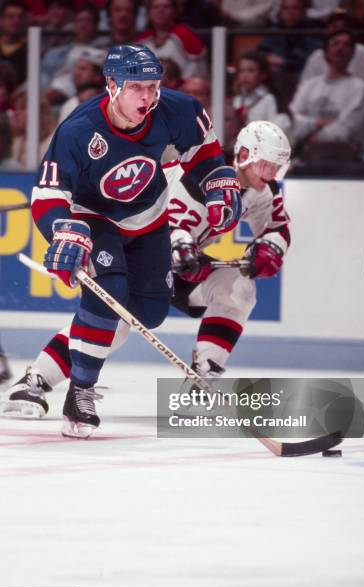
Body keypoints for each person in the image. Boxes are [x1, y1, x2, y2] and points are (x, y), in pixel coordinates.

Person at [13, 43, 241, 438]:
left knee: (148, 312)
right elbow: (47, 196)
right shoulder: (78, 129)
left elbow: (204, 152)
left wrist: (219, 183)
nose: (148, 97)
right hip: (96, 219)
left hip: (150, 219)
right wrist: (63, 230)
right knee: (108, 295)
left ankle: (43, 371)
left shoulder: (177, 109)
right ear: (112, 85)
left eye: (153, 87)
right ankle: (79, 392)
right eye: (138, 87)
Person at [0, 121, 290, 414]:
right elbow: (164, 230)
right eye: (267, 164)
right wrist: (181, 249)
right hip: (134, 257)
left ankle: (204, 377)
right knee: (111, 326)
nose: (272, 174)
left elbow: (278, 226)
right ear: (243, 155)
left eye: (276, 167)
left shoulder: (263, 190)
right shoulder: (193, 178)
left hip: (176, 268)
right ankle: (33, 381)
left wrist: (271, 247)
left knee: (238, 287)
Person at [290, 29, 364, 162]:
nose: (340, 48)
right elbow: (292, 121)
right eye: (335, 43)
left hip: (346, 159)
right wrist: (318, 122)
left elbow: (345, 131)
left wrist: (312, 133)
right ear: (326, 51)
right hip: (305, 157)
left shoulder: (358, 88)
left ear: (352, 53)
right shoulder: (309, 86)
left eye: (346, 45)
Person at [300, 9, 364, 96]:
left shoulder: (362, 52)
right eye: (334, 26)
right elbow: (304, 90)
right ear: (326, 30)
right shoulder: (316, 56)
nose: (339, 30)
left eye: (343, 26)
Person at [136, 0, 209, 79]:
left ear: (175, 12)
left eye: (166, 7)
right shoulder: (142, 40)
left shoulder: (187, 36)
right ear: (148, 13)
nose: (160, 10)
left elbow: (197, 73)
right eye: (155, 7)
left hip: (180, 90)